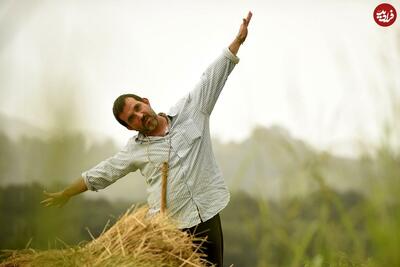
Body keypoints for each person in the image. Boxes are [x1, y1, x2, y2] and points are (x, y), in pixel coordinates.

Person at [41, 11, 252, 266]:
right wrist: (66, 193)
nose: (139, 116)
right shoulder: (134, 151)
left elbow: (212, 77)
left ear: (146, 102)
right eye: (131, 118)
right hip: (171, 229)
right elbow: (102, 173)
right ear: (130, 127)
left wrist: (237, 41)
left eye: (138, 109)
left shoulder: (191, 111)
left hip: (207, 214)